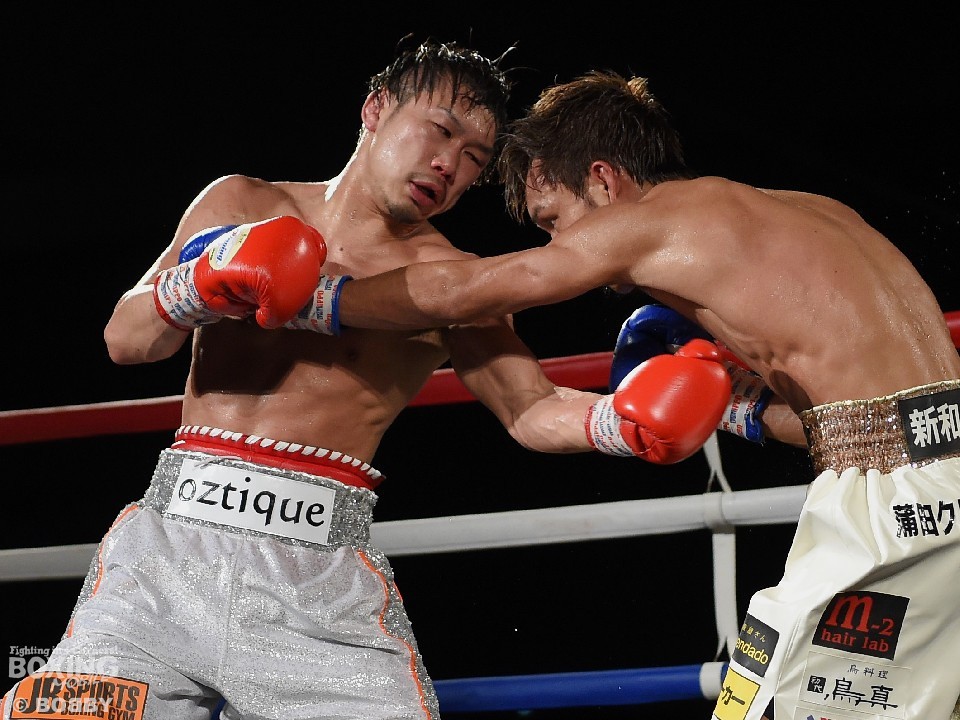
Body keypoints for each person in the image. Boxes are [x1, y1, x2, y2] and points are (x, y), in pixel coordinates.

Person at [0, 47, 737, 720]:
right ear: (376, 109)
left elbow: (531, 410)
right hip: (161, 565)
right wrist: (200, 282)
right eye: (440, 131)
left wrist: (623, 421)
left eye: (474, 159)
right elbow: (126, 339)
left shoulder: (456, 282)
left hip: (314, 586)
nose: (449, 164)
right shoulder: (243, 204)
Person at [318, 71, 960, 719]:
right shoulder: (810, 214)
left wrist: (319, 300)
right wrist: (734, 405)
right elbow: (866, 425)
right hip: (927, 482)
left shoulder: (651, 221)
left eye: (554, 220)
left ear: (604, 179)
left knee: (764, 704)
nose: (559, 244)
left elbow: (472, 290)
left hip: (894, 511)